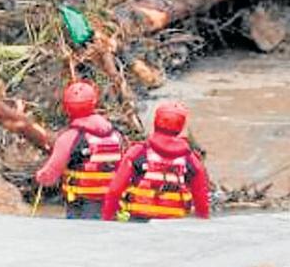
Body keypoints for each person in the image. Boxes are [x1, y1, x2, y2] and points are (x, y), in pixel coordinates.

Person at [103, 101, 211, 221]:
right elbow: (202, 202)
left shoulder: (137, 153)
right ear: (180, 126)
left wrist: (107, 218)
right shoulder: (191, 161)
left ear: (156, 121)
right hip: (175, 226)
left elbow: (115, 190)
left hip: (138, 222)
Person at [34, 81, 125, 219]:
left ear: (66, 107)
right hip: (110, 203)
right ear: (94, 102)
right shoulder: (115, 135)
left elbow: (51, 173)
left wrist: (41, 177)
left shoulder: (69, 137)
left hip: (80, 204)